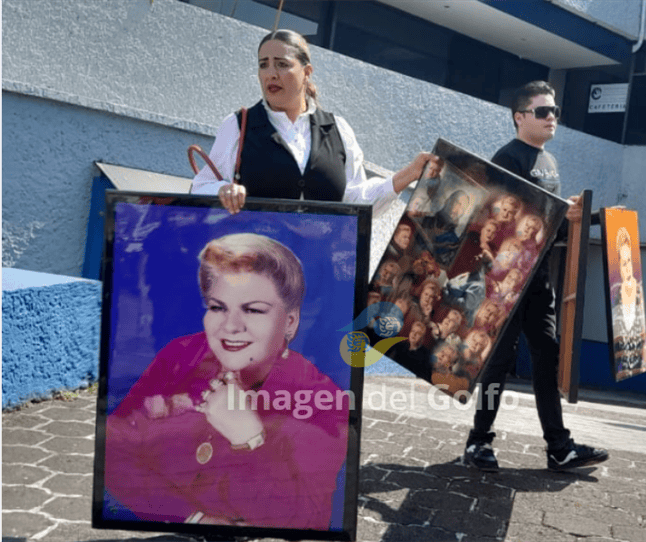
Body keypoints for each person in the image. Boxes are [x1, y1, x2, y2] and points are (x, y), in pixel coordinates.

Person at [105, 233, 350, 529]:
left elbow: (309, 519)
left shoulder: (320, 399)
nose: (230, 327)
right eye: (218, 307)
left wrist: (249, 441)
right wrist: (193, 517)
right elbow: (113, 448)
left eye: (253, 309)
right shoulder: (181, 356)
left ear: (290, 322)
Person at [464, 81, 608, 472]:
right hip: (506, 280)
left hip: (538, 277)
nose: (552, 118)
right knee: (499, 362)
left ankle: (559, 448)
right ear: (520, 116)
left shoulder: (550, 162)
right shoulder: (507, 158)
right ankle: (478, 443)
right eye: (543, 112)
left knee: (547, 357)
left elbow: (551, 229)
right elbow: (506, 224)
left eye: (555, 112)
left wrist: (584, 217)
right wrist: (563, 214)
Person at [191, 30, 441, 215]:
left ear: (306, 72)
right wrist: (222, 190)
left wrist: (409, 174)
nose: (271, 73)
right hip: (258, 268)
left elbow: (355, 200)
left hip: (321, 268)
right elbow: (199, 187)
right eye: (263, 65)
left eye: (282, 64)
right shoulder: (237, 125)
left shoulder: (338, 129)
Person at [611, 227, 646, 375]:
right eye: (623, 262)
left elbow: (641, 333)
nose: (626, 267)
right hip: (621, 361)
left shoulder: (638, 290)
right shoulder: (616, 290)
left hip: (636, 361)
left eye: (628, 262)